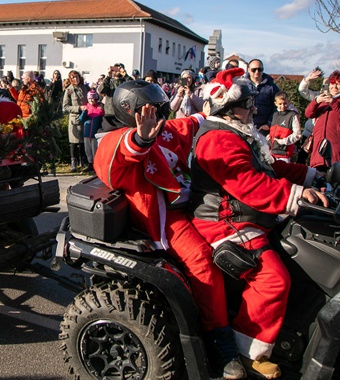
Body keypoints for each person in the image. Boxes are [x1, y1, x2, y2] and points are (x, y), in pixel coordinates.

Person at [94, 80, 245, 380]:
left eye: (161, 108)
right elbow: (122, 153)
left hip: (196, 203)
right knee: (203, 261)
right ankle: (219, 339)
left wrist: (217, 109)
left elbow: (188, 123)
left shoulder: (165, 130)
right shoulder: (116, 138)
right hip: (168, 218)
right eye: (152, 110)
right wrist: (140, 138)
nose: (160, 114)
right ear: (131, 112)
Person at [191, 68, 325, 379]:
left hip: (245, 216)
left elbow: (268, 165)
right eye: (248, 102)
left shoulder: (237, 131)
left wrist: (310, 176)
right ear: (227, 107)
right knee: (274, 279)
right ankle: (249, 351)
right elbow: (249, 184)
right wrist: (297, 194)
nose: (254, 107)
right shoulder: (217, 139)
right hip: (225, 222)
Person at [304, 70, 340, 172]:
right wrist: (316, 102)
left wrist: (333, 102)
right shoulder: (323, 99)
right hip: (319, 143)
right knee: (317, 174)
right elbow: (308, 114)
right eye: (332, 83)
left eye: (338, 84)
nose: (334, 87)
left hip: (336, 144)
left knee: (334, 174)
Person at [63, 70, 88, 172]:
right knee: (73, 142)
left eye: (76, 76)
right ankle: (73, 162)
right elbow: (65, 107)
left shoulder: (85, 88)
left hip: (86, 117)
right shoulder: (69, 90)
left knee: (83, 142)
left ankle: (83, 162)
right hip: (75, 119)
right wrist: (78, 108)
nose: (75, 79)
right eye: (72, 77)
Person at [245, 59, 279, 136]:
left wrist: (269, 124)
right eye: (254, 70)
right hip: (245, 127)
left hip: (263, 129)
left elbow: (277, 107)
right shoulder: (242, 85)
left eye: (260, 69)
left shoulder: (272, 87)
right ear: (249, 70)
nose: (257, 72)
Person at [268, 92, 302, 162]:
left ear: (288, 102)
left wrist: (283, 141)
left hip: (285, 153)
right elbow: (273, 132)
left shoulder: (293, 115)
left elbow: (298, 134)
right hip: (272, 152)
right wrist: (268, 139)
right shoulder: (275, 115)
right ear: (275, 103)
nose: (283, 106)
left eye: (285, 103)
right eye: (280, 104)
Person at [79, 90, 104, 172]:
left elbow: (102, 120)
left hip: (95, 133)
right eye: (89, 99)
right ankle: (90, 164)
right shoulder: (86, 108)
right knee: (88, 150)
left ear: (96, 99)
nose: (91, 101)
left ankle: (96, 165)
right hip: (87, 133)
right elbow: (81, 119)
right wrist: (84, 112)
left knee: (95, 150)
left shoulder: (99, 108)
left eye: (92, 99)